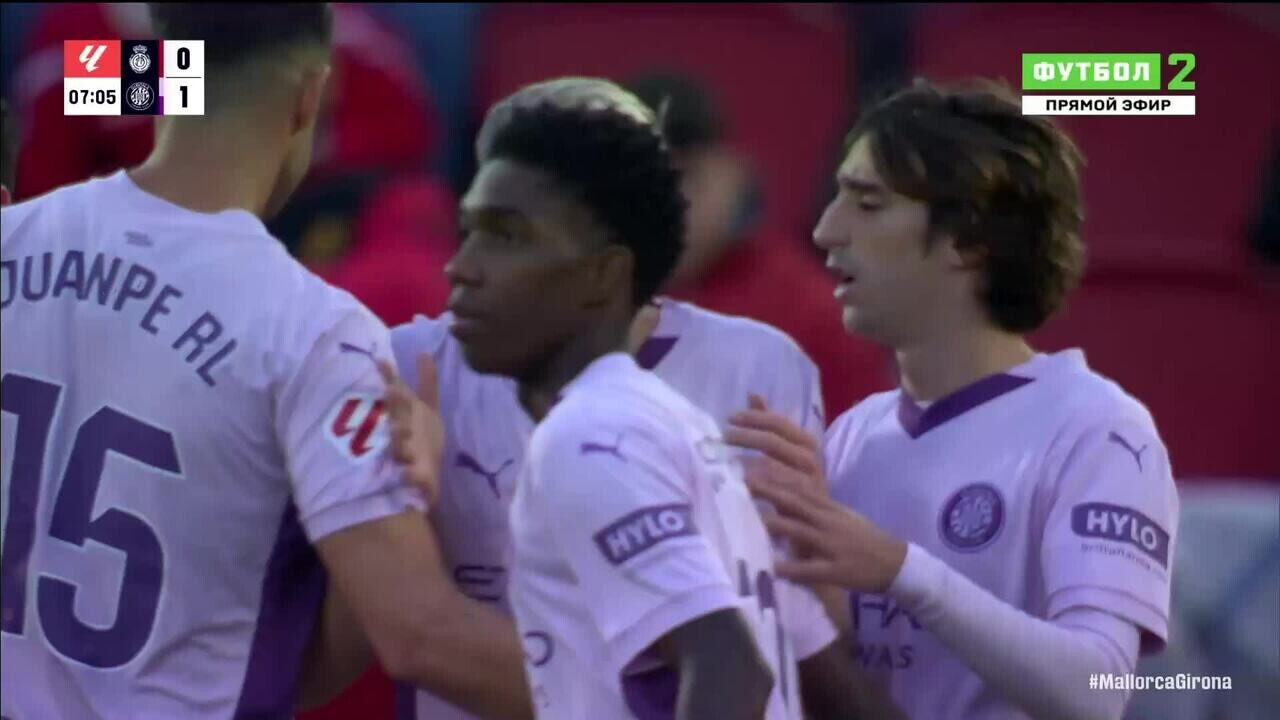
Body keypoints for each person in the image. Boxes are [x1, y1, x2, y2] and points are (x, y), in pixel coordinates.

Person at [0, 5, 529, 719]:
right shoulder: (319, 332)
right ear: (312, 98)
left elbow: (92, 82)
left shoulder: (16, 222)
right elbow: (415, 637)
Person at [391, 77, 901, 720]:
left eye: (508, 235)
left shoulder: (609, 424)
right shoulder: (416, 367)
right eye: (470, 229)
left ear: (605, 266)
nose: (460, 266)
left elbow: (745, 657)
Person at [727, 79, 1180, 720]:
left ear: (968, 240)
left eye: (869, 204)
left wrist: (901, 571)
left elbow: (1097, 690)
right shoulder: (850, 437)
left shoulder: (1099, 429)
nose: (826, 231)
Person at [625, 71, 893, 415]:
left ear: (734, 173)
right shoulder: (581, 306)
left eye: (689, 177)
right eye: (645, 183)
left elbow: (869, 439)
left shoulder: (812, 312)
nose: (669, 202)